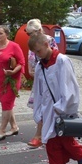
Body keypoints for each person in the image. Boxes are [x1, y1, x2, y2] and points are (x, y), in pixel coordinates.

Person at [29, 32, 82, 164]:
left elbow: (70, 86)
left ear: (46, 44)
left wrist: (63, 107)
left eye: (38, 51)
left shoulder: (62, 61)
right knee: (51, 142)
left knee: (64, 140)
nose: (37, 55)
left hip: (60, 109)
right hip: (48, 109)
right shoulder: (40, 65)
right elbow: (38, 89)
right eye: (34, 52)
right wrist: (39, 110)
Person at [24, 18, 59, 148]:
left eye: (30, 33)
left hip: (48, 79)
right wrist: (31, 70)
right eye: (27, 33)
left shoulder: (48, 40)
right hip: (38, 78)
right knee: (39, 106)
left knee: (46, 106)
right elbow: (31, 60)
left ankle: (39, 135)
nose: (29, 36)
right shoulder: (32, 42)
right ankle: (43, 133)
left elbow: (54, 59)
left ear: (39, 30)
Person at [0, 24, 25, 140]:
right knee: (6, 104)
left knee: (6, 104)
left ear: (7, 34)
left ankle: (2, 130)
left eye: (1, 33)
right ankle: (14, 127)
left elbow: (21, 63)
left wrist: (13, 72)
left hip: (11, 80)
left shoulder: (14, 46)